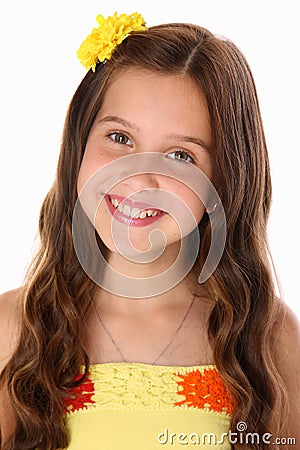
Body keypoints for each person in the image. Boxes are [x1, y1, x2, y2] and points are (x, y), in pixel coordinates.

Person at [0, 11, 299, 450]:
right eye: (120, 138)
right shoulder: (16, 328)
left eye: (181, 156)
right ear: (78, 145)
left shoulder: (268, 338)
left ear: (224, 180)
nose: (140, 179)